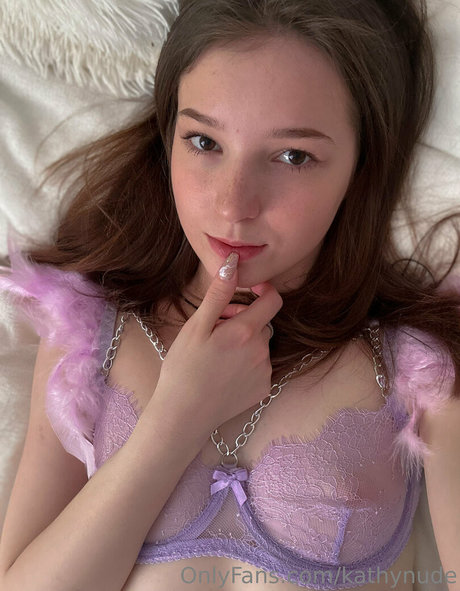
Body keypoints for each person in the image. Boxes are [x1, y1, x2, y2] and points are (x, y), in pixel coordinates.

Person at [0, 0, 459, 589]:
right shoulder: (87, 332)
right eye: (204, 142)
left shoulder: (419, 368)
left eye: (293, 156)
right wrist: (175, 420)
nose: (233, 205)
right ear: (168, 136)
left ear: (361, 164)